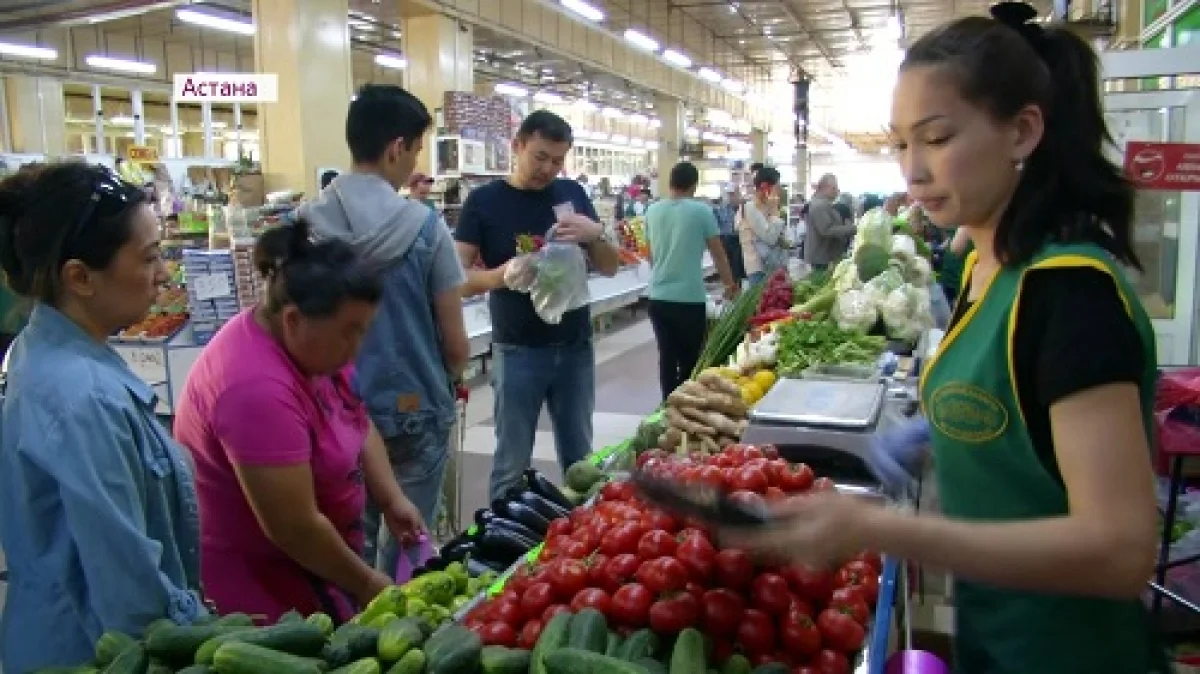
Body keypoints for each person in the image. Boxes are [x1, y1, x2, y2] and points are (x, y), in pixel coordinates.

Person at [725, 3, 1168, 672]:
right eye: (902, 143)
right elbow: (1025, 411)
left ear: (1022, 131)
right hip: (999, 641)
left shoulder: (1070, 294)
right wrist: (942, 431)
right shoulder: (989, 267)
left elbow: (1120, 551)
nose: (913, 169)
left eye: (936, 138)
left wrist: (885, 528)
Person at [0, 163, 206, 671]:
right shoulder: (84, 399)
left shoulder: (44, 348)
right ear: (80, 277)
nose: (163, 275)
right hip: (90, 651)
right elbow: (133, 598)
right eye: (151, 257)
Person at [173, 220, 424, 622]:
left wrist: (391, 498)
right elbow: (295, 528)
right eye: (350, 332)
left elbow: (356, 419)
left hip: (320, 565)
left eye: (363, 330)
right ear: (292, 320)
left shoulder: (316, 348)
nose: (357, 347)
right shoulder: (253, 389)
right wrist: (368, 584)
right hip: (265, 586)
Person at [298, 85, 468, 576]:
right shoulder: (424, 226)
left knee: (348, 532)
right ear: (397, 147)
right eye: (415, 149)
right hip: (412, 404)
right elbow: (455, 341)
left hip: (332, 407)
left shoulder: (305, 225)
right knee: (408, 535)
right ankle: (402, 622)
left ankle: (352, 620)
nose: (413, 160)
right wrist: (452, 375)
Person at [454, 110, 621, 501]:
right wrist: (500, 275)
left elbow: (611, 267)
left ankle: (584, 545)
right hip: (518, 350)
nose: (549, 168)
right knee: (511, 462)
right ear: (518, 145)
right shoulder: (484, 202)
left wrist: (596, 234)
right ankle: (502, 549)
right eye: (540, 156)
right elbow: (455, 278)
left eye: (558, 160)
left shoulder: (572, 196)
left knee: (581, 461)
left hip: (575, 346)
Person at [645, 162, 738, 399]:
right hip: (688, 298)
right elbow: (718, 253)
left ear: (670, 182)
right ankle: (686, 405)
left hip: (657, 296)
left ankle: (667, 405)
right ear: (694, 185)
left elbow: (651, 254)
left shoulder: (652, 211)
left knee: (666, 356)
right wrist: (730, 284)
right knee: (690, 358)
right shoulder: (701, 211)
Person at [737, 167, 787, 284]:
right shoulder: (750, 207)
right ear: (765, 186)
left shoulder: (766, 205)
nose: (779, 190)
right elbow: (769, 237)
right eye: (777, 186)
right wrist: (774, 211)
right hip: (758, 267)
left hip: (772, 264)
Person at [804, 173, 856, 271]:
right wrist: (852, 228)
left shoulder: (824, 204)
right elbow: (826, 230)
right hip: (821, 257)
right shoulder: (819, 205)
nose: (837, 191)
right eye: (834, 188)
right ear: (824, 187)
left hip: (823, 255)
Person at [713, 184, 746, 282]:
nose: (731, 196)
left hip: (740, 240)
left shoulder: (744, 207)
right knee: (728, 268)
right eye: (729, 194)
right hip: (726, 240)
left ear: (738, 193)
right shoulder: (719, 209)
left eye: (733, 194)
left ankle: (738, 287)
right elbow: (716, 227)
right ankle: (731, 287)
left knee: (739, 270)